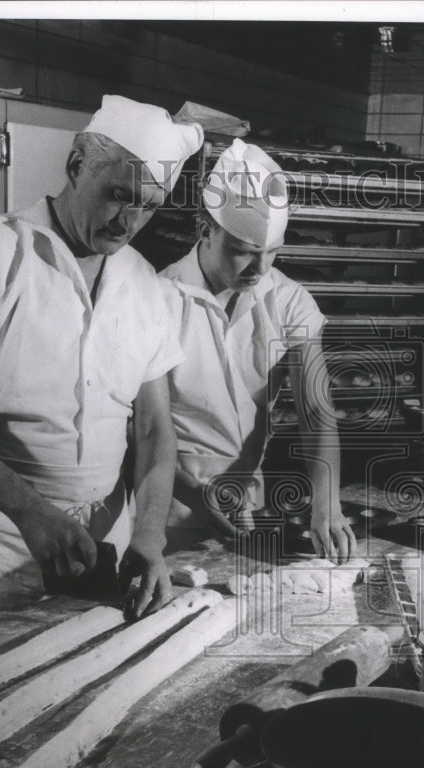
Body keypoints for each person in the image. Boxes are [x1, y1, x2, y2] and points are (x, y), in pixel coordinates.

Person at [0, 96, 203, 644]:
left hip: (104, 544)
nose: (128, 221)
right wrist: (30, 512)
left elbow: (155, 429)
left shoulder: (144, 283)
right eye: (117, 195)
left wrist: (150, 535)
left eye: (148, 206)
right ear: (77, 164)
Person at [161, 138, 356, 562]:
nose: (260, 269)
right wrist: (193, 494)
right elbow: (137, 430)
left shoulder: (286, 299)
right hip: (163, 509)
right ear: (206, 231)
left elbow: (316, 410)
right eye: (244, 253)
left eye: (272, 253)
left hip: (246, 507)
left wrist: (327, 503)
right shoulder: (158, 300)